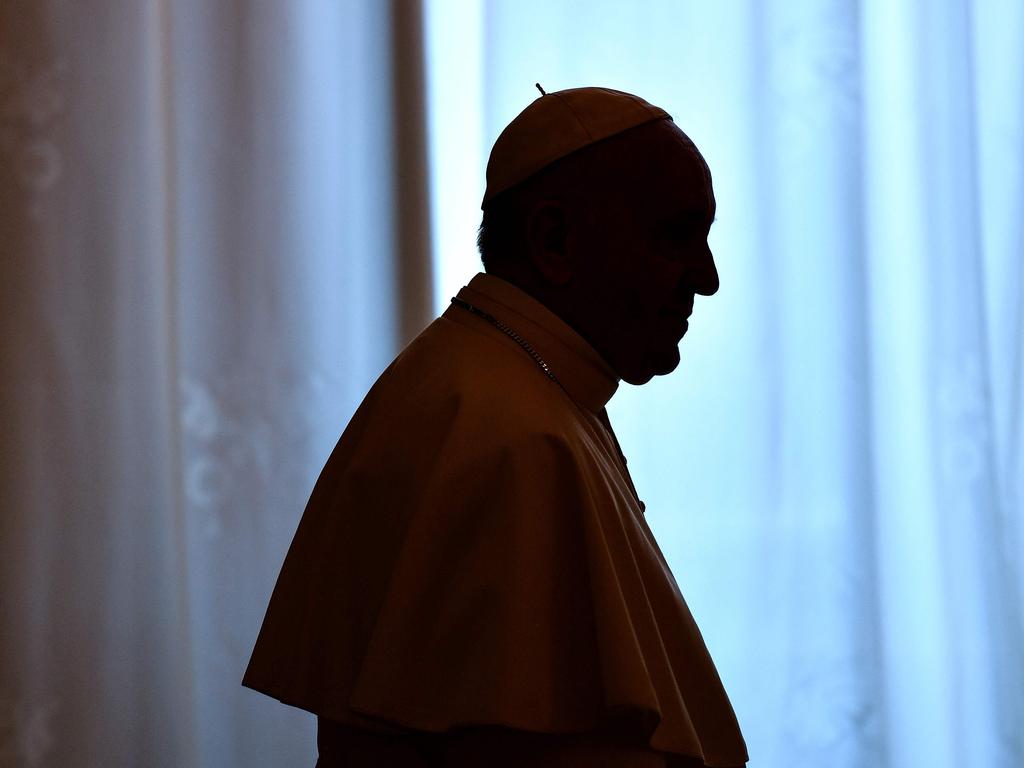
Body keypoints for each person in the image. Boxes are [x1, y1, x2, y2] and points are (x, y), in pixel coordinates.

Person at [243, 86, 749, 768]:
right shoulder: (510, 439)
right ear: (555, 239)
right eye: (674, 236)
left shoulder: (497, 386)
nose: (708, 278)